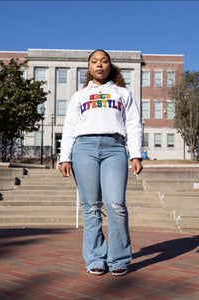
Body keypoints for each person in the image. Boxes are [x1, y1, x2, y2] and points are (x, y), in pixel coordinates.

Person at [60, 49, 143, 276]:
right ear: (89, 67)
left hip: (114, 149)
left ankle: (119, 258)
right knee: (91, 207)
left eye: (104, 61)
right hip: (83, 150)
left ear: (110, 66)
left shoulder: (122, 94)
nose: (99, 65)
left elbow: (134, 125)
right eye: (94, 61)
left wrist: (135, 154)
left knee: (116, 205)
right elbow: (69, 128)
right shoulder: (79, 96)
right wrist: (64, 157)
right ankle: (96, 258)